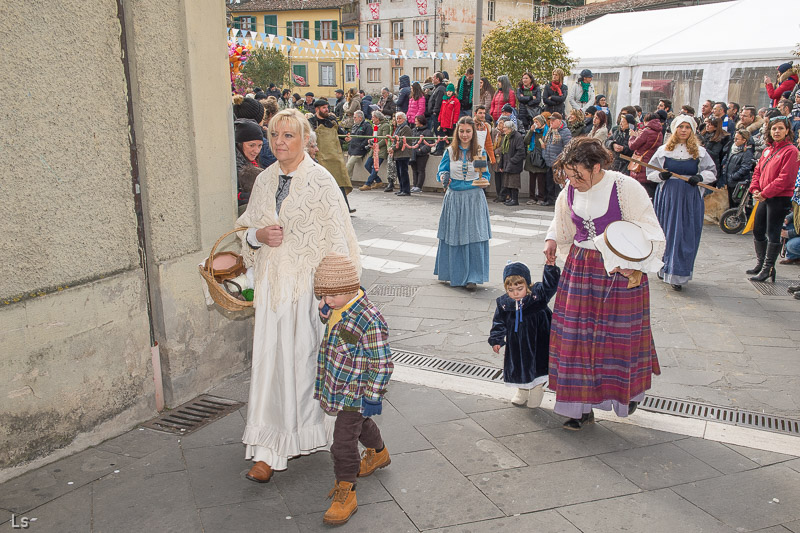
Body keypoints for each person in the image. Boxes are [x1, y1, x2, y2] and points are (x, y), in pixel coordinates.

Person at [236, 108, 361, 484]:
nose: (279, 143)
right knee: (270, 368)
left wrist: (335, 294)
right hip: (273, 290)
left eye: (288, 136)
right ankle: (268, 450)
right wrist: (258, 237)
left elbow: (340, 240)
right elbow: (244, 228)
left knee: (307, 368)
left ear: (305, 138)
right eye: (275, 135)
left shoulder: (321, 181)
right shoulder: (264, 180)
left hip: (308, 293)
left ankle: (317, 435)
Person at [544, 137, 665, 430]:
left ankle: (626, 394)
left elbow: (649, 228)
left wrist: (632, 263)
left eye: (579, 175)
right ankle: (578, 407)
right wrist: (551, 239)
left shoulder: (625, 187)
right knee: (576, 337)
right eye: (569, 175)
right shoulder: (570, 189)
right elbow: (562, 220)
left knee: (617, 337)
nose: (573, 181)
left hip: (619, 271)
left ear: (597, 167)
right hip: (580, 267)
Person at [312, 253, 393, 526]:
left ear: (348, 290)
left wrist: (373, 396)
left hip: (357, 390)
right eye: (322, 296)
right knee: (360, 423)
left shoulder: (370, 320)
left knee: (343, 442)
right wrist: (328, 311)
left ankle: (346, 491)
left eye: (329, 297)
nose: (324, 302)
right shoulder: (339, 306)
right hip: (341, 384)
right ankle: (379, 453)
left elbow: (382, 363)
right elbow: (335, 325)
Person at [648, 115, 717, 291]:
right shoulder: (663, 150)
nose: (684, 130)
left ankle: (679, 273)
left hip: (689, 199)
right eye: (680, 127)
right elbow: (650, 171)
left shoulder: (700, 152)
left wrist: (700, 177)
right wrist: (660, 176)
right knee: (667, 232)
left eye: (687, 127)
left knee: (684, 234)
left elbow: (711, 172)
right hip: (668, 198)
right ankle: (664, 267)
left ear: (692, 130)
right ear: (675, 129)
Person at [489, 261, 560, 408]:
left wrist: (550, 268)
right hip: (517, 343)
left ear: (527, 284)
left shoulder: (538, 296)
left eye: (519, 288)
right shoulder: (504, 303)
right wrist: (496, 339)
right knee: (519, 364)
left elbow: (551, 285)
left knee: (538, 364)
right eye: (510, 289)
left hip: (538, 339)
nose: (515, 293)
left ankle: (536, 389)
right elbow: (499, 322)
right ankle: (522, 389)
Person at [435, 116, 492, 290]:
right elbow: (441, 172)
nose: (465, 135)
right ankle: (454, 274)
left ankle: (473, 276)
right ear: (457, 132)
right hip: (454, 198)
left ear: (473, 132)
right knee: (454, 235)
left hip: (474, 198)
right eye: (461, 131)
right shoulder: (450, 151)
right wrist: (444, 177)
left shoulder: (479, 152)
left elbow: (486, 175)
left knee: (474, 235)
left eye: (468, 131)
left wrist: (483, 181)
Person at [747, 116, 799, 282]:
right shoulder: (767, 150)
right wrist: (755, 189)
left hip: (779, 197)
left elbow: (786, 178)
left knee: (773, 232)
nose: (777, 131)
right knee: (758, 229)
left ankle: (768, 267)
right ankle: (761, 263)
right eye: (774, 128)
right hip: (763, 196)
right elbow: (758, 171)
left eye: (780, 128)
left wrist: (765, 192)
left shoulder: (791, 151)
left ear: (787, 131)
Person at [309, 99, 356, 213]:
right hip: (321, 156)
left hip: (335, 156)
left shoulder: (331, 121)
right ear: (317, 109)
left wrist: (346, 137)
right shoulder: (311, 122)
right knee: (322, 184)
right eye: (324, 108)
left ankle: (345, 206)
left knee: (340, 181)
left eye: (327, 107)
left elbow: (341, 133)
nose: (326, 110)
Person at [628, 112, 664, 199]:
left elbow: (633, 146)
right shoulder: (660, 133)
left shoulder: (646, 132)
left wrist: (632, 136)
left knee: (638, 195)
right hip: (651, 164)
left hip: (640, 166)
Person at [542, 112, 572, 206]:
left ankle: (558, 200)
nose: (551, 122)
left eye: (553, 120)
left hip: (559, 162)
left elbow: (568, 148)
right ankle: (550, 199)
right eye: (550, 120)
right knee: (549, 182)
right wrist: (545, 155)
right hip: (549, 161)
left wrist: (560, 159)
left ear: (559, 121)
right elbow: (546, 145)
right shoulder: (550, 131)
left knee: (558, 183)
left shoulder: (565, 132)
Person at [721, 129, 755, 207]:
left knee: (737, 205)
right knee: (731, 204)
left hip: (738, 184)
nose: (734, 140)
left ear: (744, 140)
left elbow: (745, 168)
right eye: (734, 138)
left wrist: (733, 176)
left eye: (737, 139)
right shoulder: (733, 149)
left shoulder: (747, 153)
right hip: (730, 182)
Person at [234, 119, 263, 206]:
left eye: (260, 145)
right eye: (251, 145)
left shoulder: (250, 161)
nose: (257, 150)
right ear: (240, 143)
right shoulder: (236, 169)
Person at [498, 119, 525, 206]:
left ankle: (515, 199)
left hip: (514, 164)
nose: (503, 129)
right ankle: (511, 199)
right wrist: (501, 165)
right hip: (507, 163)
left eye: (505, 127)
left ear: (510, 128)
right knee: (508, 183)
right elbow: (503, 152)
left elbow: (521, 152)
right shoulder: (506, 137)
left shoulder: (517, 136)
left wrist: (512, 160)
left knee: (514, 183)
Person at [523, 115, 549, 205]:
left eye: (537, 122)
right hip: (532, 157)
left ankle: (541, 197)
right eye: (534, 122)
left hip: (541, 157)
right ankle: (532, 197)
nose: (535, 124)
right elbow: (526, 141)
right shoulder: (533, 132)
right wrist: (530, 131)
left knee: (541, 180)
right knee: (532, 179)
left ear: (541, 122)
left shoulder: (547, 132)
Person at [362, 111, 391, 190]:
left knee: (375, 167)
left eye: (373, 117)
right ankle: (378, 181)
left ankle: (368, 183)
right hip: (374, 150)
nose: (372, 119)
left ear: (378, 118)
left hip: (380, 151)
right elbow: (376, 138)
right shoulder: (375, 126)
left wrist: (376, 145)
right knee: (367, 165)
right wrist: (371, 141)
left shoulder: (385, 126)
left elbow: (384, 139)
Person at [345, 110, 371, 187]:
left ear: (360, 118)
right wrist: (349, 139)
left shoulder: (367, 126)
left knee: (349, 165)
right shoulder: (354, 126)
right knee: (350, 166)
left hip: (359, 150)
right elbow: (353, 136)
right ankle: (348, 181)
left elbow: (368, 138)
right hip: (352, 148)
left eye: (355, 117)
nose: (354, 119)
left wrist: (361, 146)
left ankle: (347, 181)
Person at [701, 116, 731, 184]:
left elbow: (715, 154)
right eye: (707, 124)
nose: (707, 126)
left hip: (712, 165)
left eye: (710, 124)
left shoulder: (719, 139)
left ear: (715, 127)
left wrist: (703, 149)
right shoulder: (703, 135)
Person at [392, 112, 413, 197]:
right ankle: (401, 189)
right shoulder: (398, 128)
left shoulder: (406, 128)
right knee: (399, 172)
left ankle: (406, 190)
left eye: (400, 118)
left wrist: (392, 148)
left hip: (404, 153)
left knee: (403, 172)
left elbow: (401, 142)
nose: (398, 120)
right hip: (398, 153)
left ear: (404, 119)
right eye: (397, 118)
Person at [409, 115, 432, 193]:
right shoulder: (413, 130)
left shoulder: (427, 132)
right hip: (413, 153)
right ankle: (414, 185)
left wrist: (420, 150)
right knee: (414, 170)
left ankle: (419, 186)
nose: (415, 122)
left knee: (420, 170)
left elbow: (429, 143)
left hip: (422, 154)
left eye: (417, 120)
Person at [437, 83, 461, 154]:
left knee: (451, 137)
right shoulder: (444, 100)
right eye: (447, 91)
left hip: (450, 123)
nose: (448, 93)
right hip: (444, 123)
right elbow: (441, 111)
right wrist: (439, 120)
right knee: (444, 137)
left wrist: (454, 122)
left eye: (450, 91)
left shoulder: (456, 101)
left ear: (453, 92)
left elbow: (456, 112)